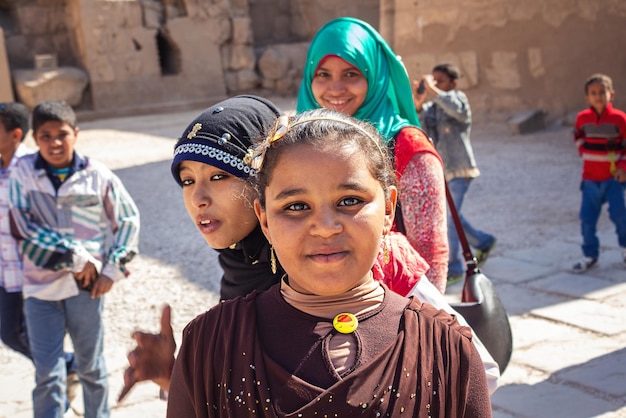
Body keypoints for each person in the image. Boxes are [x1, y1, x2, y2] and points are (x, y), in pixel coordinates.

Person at [119, 96, 499, 403]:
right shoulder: (219, 324)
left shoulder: (393, 281)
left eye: (219, 176)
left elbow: (468, 374)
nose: (199, 198)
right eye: (187, 181)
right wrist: (182, 375)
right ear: (264, 213)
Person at [296, 16, 449, 294]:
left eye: (351, 74)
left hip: (390, 309)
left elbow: (430, 254)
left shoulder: (407, 147)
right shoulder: (297, 144)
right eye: (323, 74)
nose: (336, 88)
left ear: (375, 75)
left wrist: (419, 326)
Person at [8, 100, 141, 418]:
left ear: (76, 134)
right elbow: (22, 228)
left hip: (87, 289)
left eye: (62, 134)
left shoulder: (97, 175)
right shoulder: (23, 174)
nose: (55, 143)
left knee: (92, 369)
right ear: (34, 139)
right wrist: (74, 257)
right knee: (48, 375)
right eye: (45, 136)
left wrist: (112, 269)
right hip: (40, 291)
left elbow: (127, 221)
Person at [413, 62, 497, 284]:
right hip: (443, 171)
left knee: (450, 218)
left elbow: (457, 111)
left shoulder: (459, 99)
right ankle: (483, 241)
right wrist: (419, 105)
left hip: (461, 168)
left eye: (440, 81)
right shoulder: (435, 108)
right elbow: (422, 129)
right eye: (433, 80)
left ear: (453, 83)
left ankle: (455, 267)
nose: (435, 85)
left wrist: (434, 91)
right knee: (452, 216)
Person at [570, 73, 626, 272]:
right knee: (587, 219)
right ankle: (590, 255)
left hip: (614, 179)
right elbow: (578, 136)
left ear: (611, 94)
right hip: (590, 179)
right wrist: (584, 151)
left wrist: (623, 168)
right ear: (587, 97)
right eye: (593, 93)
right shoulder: (582, 119)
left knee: (621, 217)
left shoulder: (620, 119)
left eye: (602, 92)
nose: (598, 96)